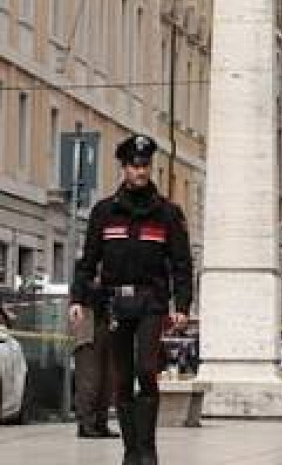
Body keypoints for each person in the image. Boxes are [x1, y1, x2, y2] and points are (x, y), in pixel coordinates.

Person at [69, 134, 192, 465]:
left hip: (151, 303)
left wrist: (182, 306)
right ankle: (130, 451)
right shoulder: (104, 212)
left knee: (145, 369)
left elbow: (182, 264)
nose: (141, 171)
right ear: (124, 168)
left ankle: (148, 450)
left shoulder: (167, 214)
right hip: (115, 305)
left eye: (145, 165)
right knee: (122, 378)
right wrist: (77, 299)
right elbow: (88, 259)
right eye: (135, 165)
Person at [71, 267, 118, 439]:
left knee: (107, 379)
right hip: (88, 324)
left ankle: (100, 423)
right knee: (89, 378)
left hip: (106, 322)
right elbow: (82, 291)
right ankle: (86, 424)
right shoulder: (84, 270)